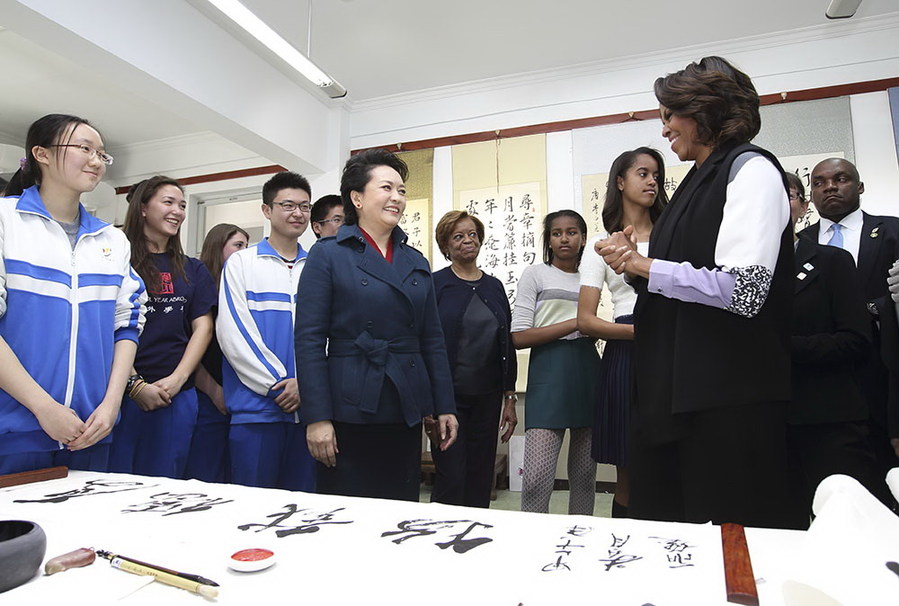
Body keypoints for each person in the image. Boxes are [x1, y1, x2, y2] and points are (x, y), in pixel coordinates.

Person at [598, 56, 795, 528]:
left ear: (704, 109)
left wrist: (648, 264)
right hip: (673, 395)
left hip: (725, 399)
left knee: (730, 542)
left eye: (670, 115)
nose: (663, 129)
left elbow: (745, 290)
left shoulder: (751, 170)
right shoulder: (694, 182)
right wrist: (634, 268)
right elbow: (680, 280)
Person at [295, 148, 458, 502]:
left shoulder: (415, 260)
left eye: (401, 190)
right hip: (348, 405)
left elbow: (432, 338)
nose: (397, 198)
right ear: (357, 197)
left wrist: (443, 404)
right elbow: (308, 341)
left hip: (404, 404)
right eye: (386, 188)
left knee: (398, 509)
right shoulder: (328, 254)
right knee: (346, 511)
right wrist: (317, 418)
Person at [0, 114, 145, 475]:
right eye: (85, 148)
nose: (97, 161)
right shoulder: (7, 221)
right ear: (41, 154)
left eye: (102, 154)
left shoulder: (112, 239)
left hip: (91, 431)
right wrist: (44, 408)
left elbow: (126, 326)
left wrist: (111, 406)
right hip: (13, 431)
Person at [785, 172, 883, 525]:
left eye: (786, 196)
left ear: (800, 205)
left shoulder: (832, 262)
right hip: (767, 422)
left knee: (848, 529)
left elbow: (856, 340)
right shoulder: (738, 272)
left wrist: (784, 348)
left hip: (829, 418)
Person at [576, 147, 668, 518]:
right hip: (626, 349)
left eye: (657, 176)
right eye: (643, 173)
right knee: (628, 466)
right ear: (620, 181)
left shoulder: (671, 235)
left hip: (674, 348)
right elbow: (585, 320)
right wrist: (638, 334)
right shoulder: (602, 244)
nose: (652, 182)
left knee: (671, 459)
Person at [800, 157, 899, 490]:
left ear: (859, 186)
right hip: (828, 382)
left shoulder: (892, 231)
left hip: (887, 368)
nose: (829, 186)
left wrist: (875, 309)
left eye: (840, 179)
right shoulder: (800, 244)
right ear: (810, 195)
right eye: (819, 182)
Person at [110, 176, 216, 479]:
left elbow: (203, 328)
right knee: (117, 481)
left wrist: (178, 379)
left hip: (176, 395)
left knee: (167, 481)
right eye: (168, 202)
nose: (178, 211)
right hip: (121, 391)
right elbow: (106, 326)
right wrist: (135, 385)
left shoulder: (193, 268)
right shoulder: (118, 261)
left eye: (182, 205)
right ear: (143, 208)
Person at [217, 172, 316, 491]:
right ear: (266, 210)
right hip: (256, 413)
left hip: (310, 414)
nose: (297, 213)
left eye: (304, 206)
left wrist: (307, 383)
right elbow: (233, 334)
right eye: (287, 205)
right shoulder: (241, 264)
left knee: (306, 512)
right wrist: (279, 385)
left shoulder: (318, 266)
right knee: (252, 511)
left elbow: (329, 335)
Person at [429, 210, 517, 508]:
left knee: (481, 477)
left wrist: (509, 397)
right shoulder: (435, 284)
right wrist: (430, 404)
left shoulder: (494, 286)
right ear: (446, 246)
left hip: (488, 398)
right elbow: (426, 343)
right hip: (448, 401)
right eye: (458, 236)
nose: (467, 240)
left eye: (472, 234)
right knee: (451, 477)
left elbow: (507, 342)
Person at [513, 210, 598, 515]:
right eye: (557, 232)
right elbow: (519, 336)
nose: (565, 238)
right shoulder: (535, 274)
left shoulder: (592, 277)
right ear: (548, 239)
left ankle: (581, 537)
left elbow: (594, 327)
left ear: (583, 238)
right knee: (536, 477)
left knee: (586, 476)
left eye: (572, 232)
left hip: (588, 369)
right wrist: (579, 323)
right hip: (548, 371)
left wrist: (588, 326)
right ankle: (533, 542)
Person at [184, 223, 249, 483]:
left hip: (239, 397)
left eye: (246, 246)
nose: (244, 253)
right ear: (217, 247)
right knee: (205, 475)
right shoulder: (200, 290)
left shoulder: (243, 292)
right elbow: (190, 349)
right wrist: (213, 391)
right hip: (206, 397)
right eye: (237, 246)